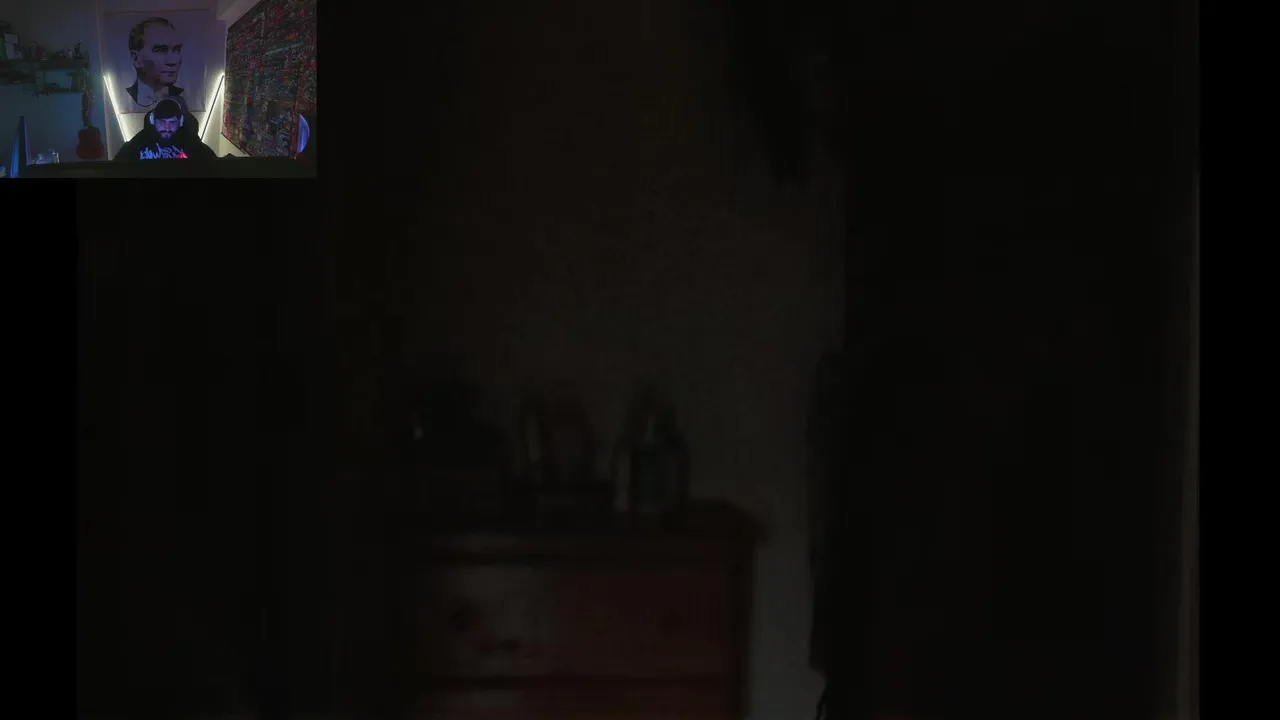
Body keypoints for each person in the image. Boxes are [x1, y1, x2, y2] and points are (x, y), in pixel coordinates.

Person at [114, 97, 217, 161]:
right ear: (152, 121)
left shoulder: (192, 143)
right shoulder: (138, 143)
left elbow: (214, 168)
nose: (167, 127)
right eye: (162, 122)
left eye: (172, 122)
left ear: (180, 122)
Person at [125, 17, 186, 109]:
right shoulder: (123, 97)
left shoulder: (183, 97)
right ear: (136, 59)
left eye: (176, 49)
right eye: (160, 50)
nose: (173, 61)